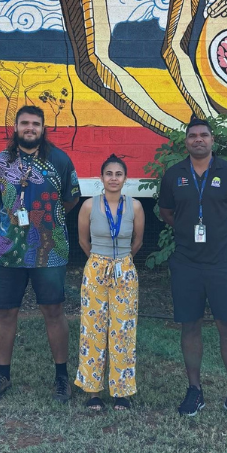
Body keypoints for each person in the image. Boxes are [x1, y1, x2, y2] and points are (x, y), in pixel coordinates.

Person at [158, 118, 227, 421]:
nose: (198, 140)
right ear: (185, 141)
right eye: (192, 136)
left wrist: (221, 234)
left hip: (222, 263)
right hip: (187, 262)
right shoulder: (174, 175)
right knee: (190, 325)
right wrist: (191, 232)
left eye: (203, 135)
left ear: (213, 140)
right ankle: (194, 390)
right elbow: (167, 213)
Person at [0, 105, 81, 402]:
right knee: (6, 312)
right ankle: (2, 375)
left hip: (48, 250)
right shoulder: (0, 162)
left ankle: (62, 378)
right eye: (24, 123)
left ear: (43, 128)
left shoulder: (60, 161)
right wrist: (12, 220)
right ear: (15, 127)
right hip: (7, 251)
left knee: (53, 310)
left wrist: (45, 219)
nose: (30, 128)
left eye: (35, 123)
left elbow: (71, 199)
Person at [75, 154, 145, 410]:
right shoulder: (89, 206)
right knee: (93, 328)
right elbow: (83, 241)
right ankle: (92, 390)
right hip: (96, 268)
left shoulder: (135, 206)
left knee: (123, 329)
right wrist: (99, 261)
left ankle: (121, 391)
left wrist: (122, 263)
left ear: (125, 179)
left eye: (119, 174)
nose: (113, 178)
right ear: (101, 178)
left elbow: (137, 240)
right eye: (109, 174)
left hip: (124, 270)